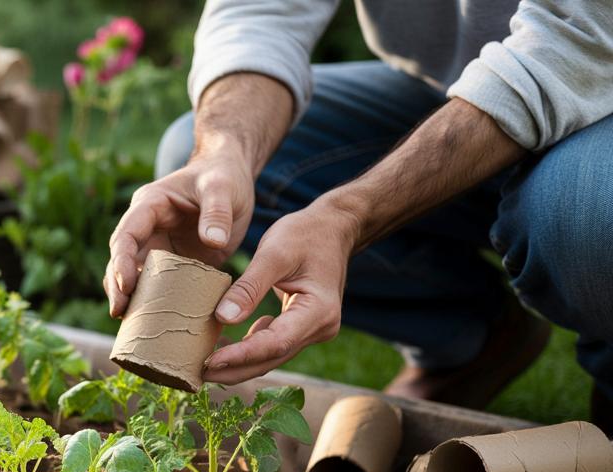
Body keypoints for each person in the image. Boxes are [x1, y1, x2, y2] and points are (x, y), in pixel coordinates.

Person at [104, 1, 613, 426]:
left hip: (597, 91)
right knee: (201, 161)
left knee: (585, 220)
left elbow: (572, 43)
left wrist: (346, 216)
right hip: (459, 85)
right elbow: (260, 11)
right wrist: (224, 152)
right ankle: (471, 339)